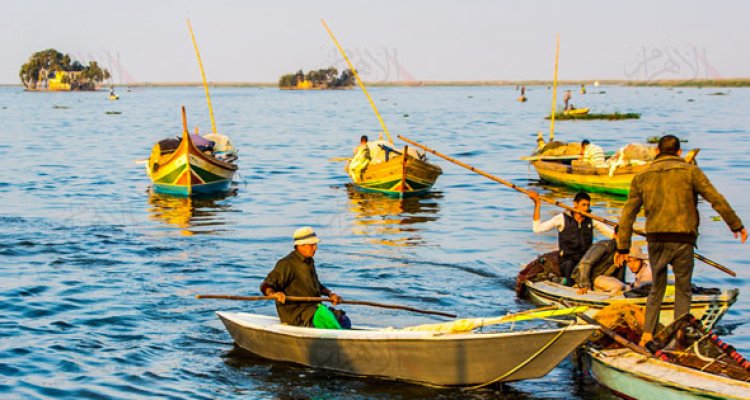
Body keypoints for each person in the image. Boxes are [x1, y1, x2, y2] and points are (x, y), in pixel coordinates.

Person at [615, 135, 746, 346]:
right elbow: (716, 199)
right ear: (679, 153)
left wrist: (623, 246)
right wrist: (736, 225)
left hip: (656, 239)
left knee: (657, 287)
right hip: (683, 238)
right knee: (683, 289)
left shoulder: (642, 175)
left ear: (657, 152)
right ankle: (679, 336)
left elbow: (628, 213)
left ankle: (647, 334)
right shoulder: (691, 171)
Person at [260, 227, 351, 329]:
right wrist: (274, 294)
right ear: (301, 246)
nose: (315, 248)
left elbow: (316, 285)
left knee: (344, 320)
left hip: (314, 309)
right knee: (328, 319)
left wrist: (330, 294)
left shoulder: (309, 262)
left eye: (315, 245)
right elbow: (266, 285)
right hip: (297, 314)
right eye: (312, 245)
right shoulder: (286, 264)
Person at [529, 190, 614, 285]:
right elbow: (537, 229)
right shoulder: (562, 218)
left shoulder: (591, 220)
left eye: (588, 205)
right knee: (570, 278)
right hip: (567, 260)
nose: (586, 208)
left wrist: (621, 232)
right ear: (575, 204)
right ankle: (557, 280)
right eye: (583, 205)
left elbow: (610, 233)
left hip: (585, 261)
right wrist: (537, 204)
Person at [574, 233, 651, 294]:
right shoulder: (603, 246)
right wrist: (584, 285)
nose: (624, 240)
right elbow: (585, 264)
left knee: (627, 288)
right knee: (619, 286)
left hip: (607, 281)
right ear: (615, 235)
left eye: (627, 237)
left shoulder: (624, 251)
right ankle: (609, 303)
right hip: (593, 278)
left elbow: (620, 277)